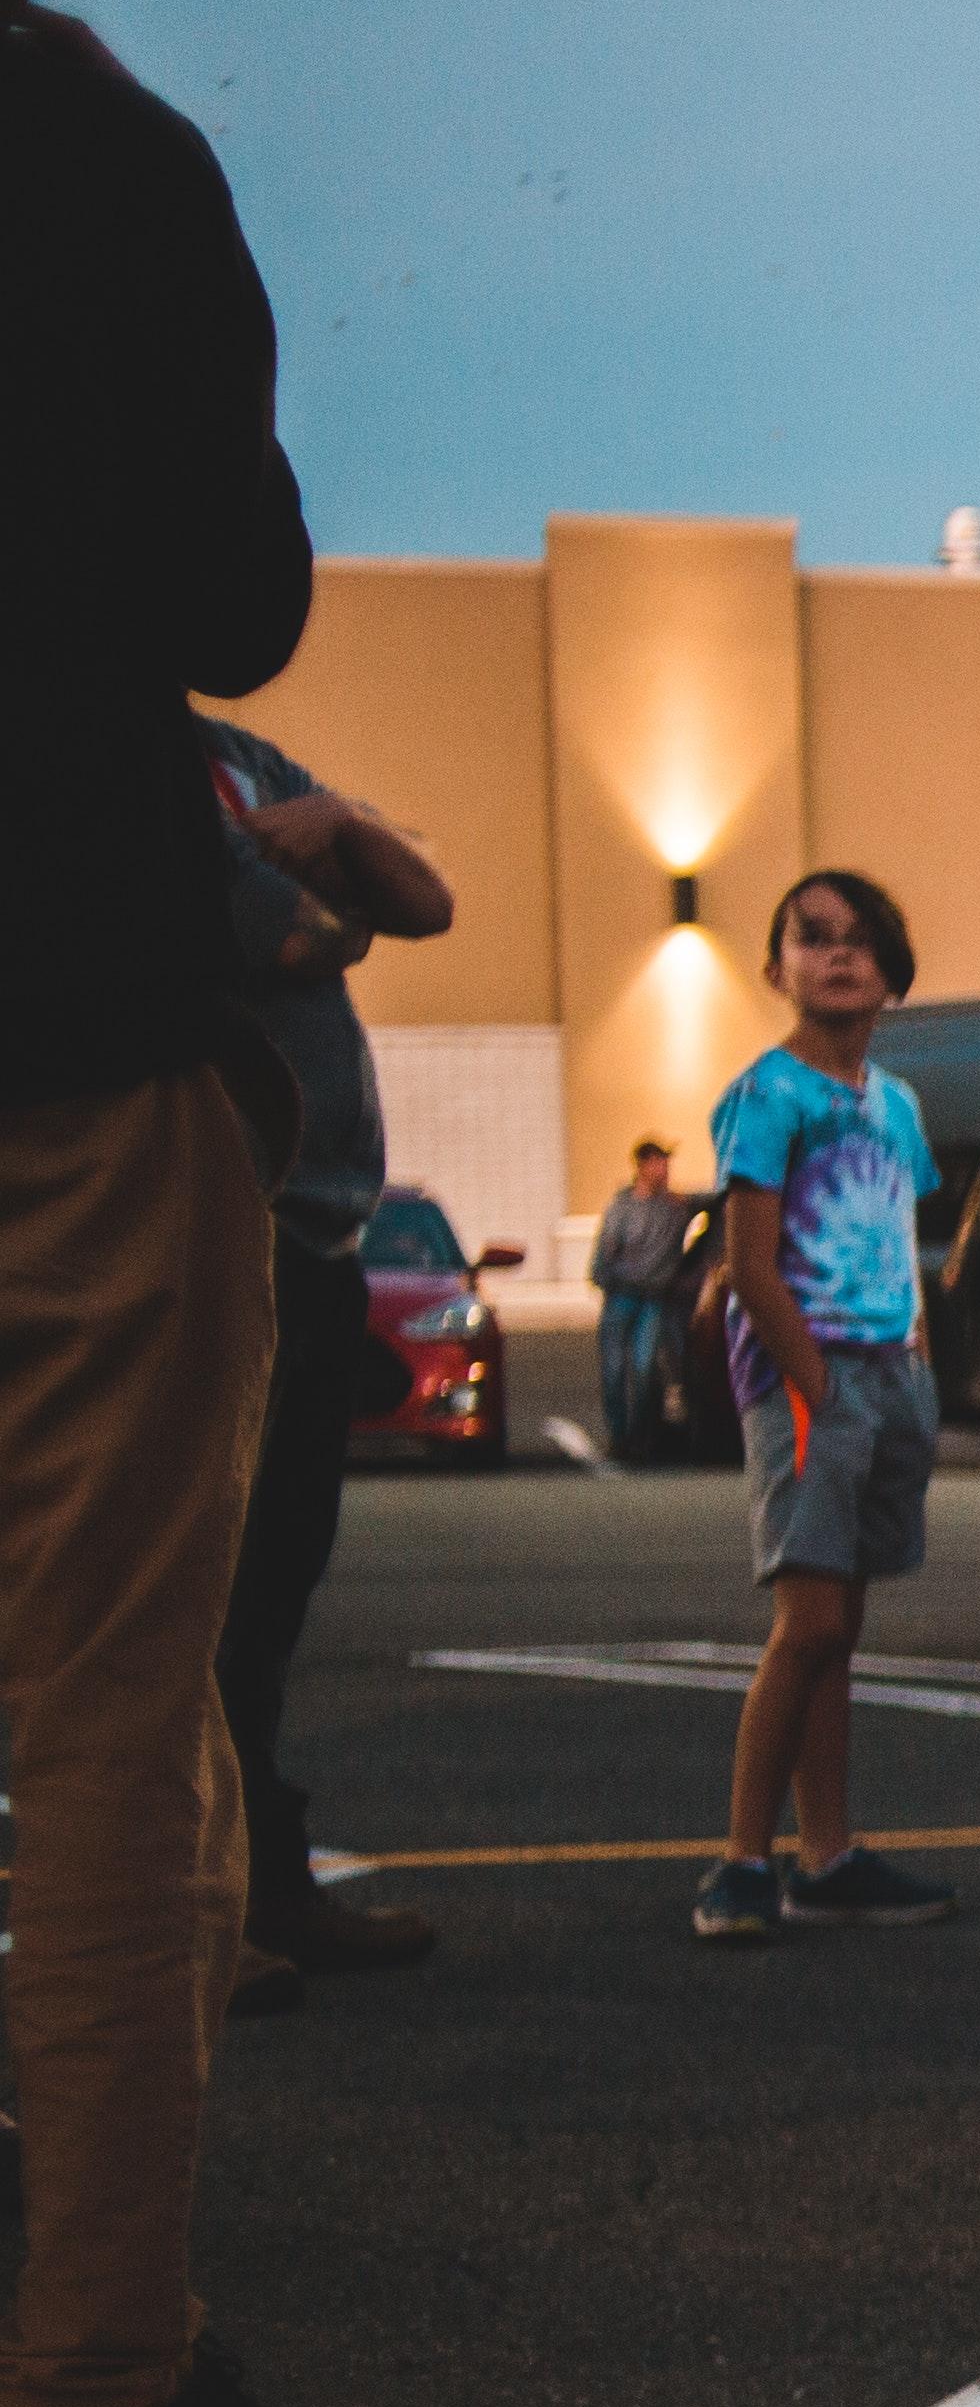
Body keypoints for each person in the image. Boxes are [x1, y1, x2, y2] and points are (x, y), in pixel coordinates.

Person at [0, 0, 366, 2407]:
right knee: (109, 1715)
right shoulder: (106, 164)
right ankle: (100, 2352)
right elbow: (235, 599)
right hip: (72, 1027)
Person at [204, 712, 451, 2000]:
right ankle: (205, 1913)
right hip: (214, 1233)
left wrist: (343, 822)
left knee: (277, 1576)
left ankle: (266, 1889)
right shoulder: (115, 738)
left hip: (314, 1237)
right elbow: (292, 934)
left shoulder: (246, 758)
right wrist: (331, 899)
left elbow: (431, 900)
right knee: (208, 1586)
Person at [700, 868, 957, 1941]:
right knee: (803, 1623)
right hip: (807, 1379)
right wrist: (814, 1388)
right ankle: (741, 1866)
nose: (837, 955)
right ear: (776, 968)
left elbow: (902, 1240)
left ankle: (828, 1855)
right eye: (811, 938)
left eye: (859, 941)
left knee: (841, 1627)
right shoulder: (769, 1096)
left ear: (891, 974)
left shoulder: (895, 1104)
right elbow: (748, 1267)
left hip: (888, 1374)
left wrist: (914, 1372)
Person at [589, 1135, 695, 1457]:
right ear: (642, 1166)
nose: (664, 1169)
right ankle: (619, 1437)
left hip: (653, 1300)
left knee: (645, 1368)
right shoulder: (622, 1207)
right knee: (614, 1371)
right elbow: (605, 1254)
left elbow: (716, 1199)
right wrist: (607, 1278)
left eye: (666, 1162)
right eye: (658, 1162)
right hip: (621, 1297)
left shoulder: (675, 1208)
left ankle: (640, 1438)